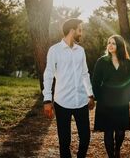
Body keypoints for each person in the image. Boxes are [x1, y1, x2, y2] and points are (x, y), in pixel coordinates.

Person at [43, 18, 95, 158]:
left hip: (81, 101)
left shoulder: (81, 51)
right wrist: (47, 100)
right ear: (72, 30)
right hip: (62, 102)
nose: (81, 33)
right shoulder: (54, 50)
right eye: (80, 30)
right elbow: (48, 75)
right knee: (64, 141)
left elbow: (85, 74)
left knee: (85, 138)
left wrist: (90, 95)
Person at [92, 35, 130, 158]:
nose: (110, 45)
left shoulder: (127, 62)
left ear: (120, 46)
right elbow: (95, 82)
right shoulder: (101, 61)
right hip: (105, 100)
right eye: (109, 43)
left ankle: (117, 149)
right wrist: (99, 98)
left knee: (120, 131)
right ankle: (111, 156)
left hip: (122, 100)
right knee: (108, 131)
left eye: (114, 43)